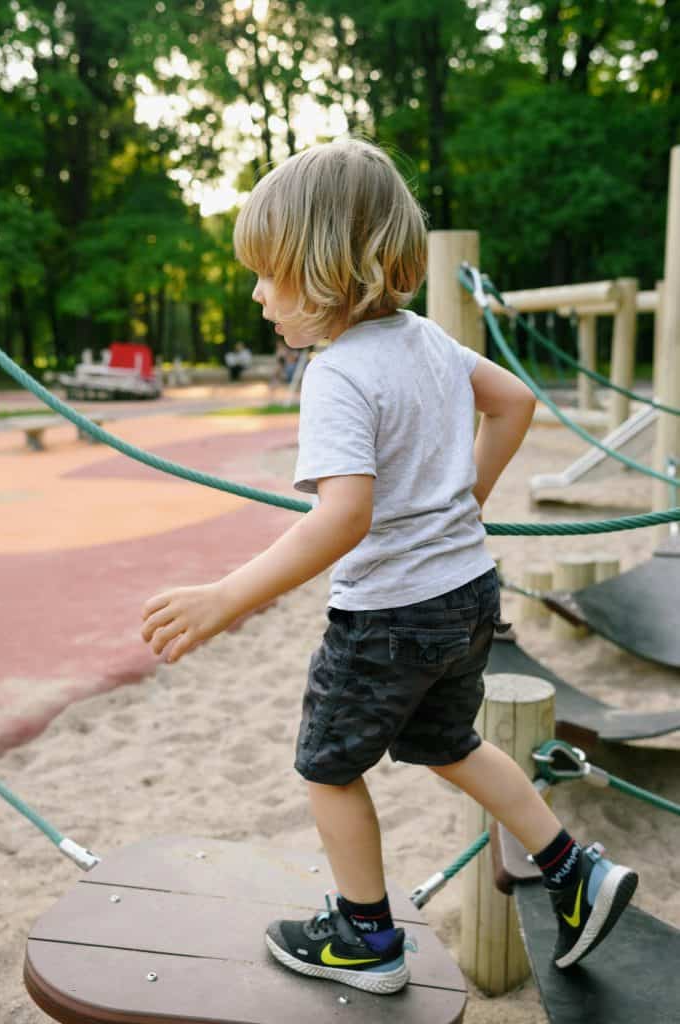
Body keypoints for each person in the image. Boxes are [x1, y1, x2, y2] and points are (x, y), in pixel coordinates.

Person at [141, 138, 637, 996]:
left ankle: (367, 938)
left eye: (267, 273)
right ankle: (571, 870)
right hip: (468, 596)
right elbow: (513, 402)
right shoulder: (429, 342)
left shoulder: (336, 374)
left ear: (323, 267)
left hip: (389, 616)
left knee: (328, 770)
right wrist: (465, 498)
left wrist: (228, 597)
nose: (257, 294)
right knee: (451, 744)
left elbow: (344, 516)